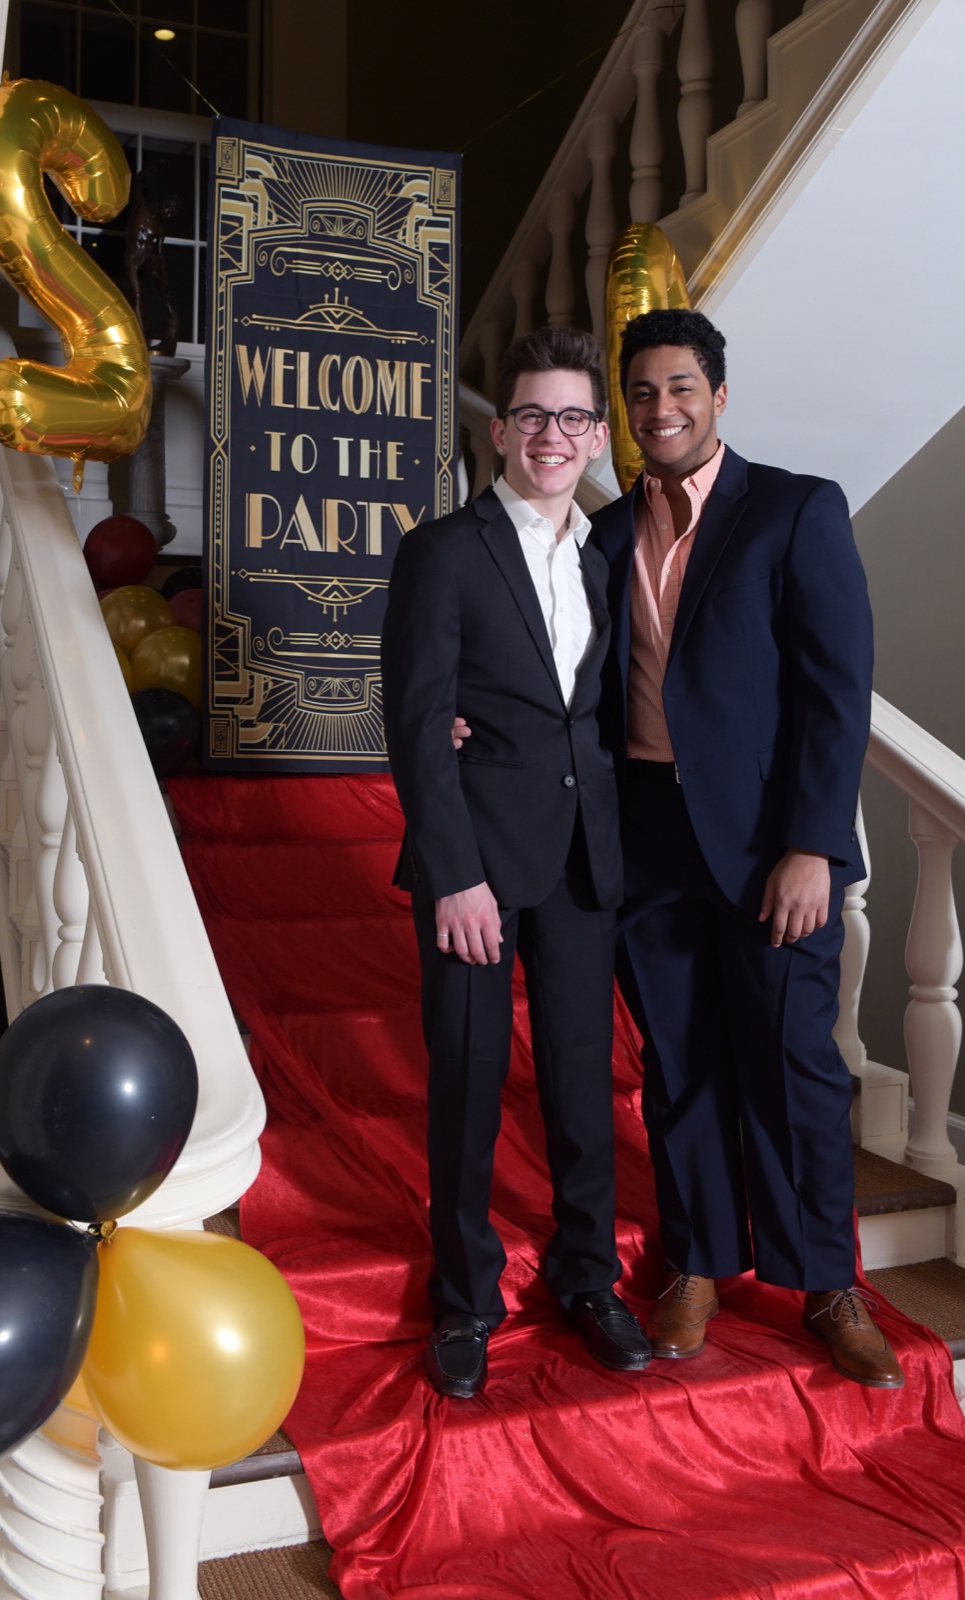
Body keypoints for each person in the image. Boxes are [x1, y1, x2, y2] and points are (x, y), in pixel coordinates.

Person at [594, 307, 901, 1388]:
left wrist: (813, 845)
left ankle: (828, 1283)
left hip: (774, 848)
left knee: (793, 1068)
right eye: (641, 393)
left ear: (718, 396)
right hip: (646, 833)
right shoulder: (599, 534)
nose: (659, 408)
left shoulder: (793, 509)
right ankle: (699, 1263)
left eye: (679, 387)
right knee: (678, 1069)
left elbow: (833, 693)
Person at [381, 326, 651, 1399]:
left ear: (595, 436)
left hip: (587, 865)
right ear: (499, 431)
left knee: (583, 1087)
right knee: (467, 1084)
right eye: (532, 414)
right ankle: (466, 1298)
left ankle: (590, 1279)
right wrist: (452, 871)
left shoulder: (607, 553)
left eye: (573, 417)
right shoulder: (443, 550)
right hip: (476, 871)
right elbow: (414, 721)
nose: (553, 435)